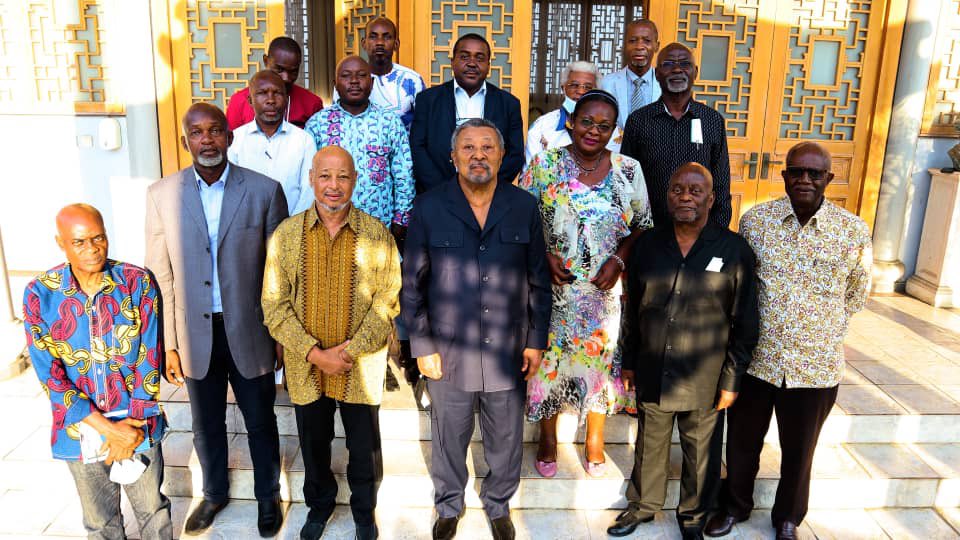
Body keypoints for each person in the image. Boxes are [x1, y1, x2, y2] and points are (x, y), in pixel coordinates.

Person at [706, 142, 872, 540]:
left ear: (829, 179)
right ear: (784, 175)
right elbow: (741, 285)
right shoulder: (756, 221)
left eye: (815, 174)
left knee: (800, 451)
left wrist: (819, 330)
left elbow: (857, 293)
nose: (805, 179)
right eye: (796, 171)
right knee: (744, 443)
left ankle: (788, 518)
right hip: (757, 361)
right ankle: (735, 506)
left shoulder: (853, 230)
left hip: (815, 366)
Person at [401, 119, 552, 540]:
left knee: (505, 437)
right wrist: (422, 344)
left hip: (507, 347)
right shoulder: (430, 207)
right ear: (453, 157)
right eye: (468, 147)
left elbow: (539, 279)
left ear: (503, 156)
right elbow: (412, 282)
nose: (478, 154)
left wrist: (536, 341)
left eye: (488, 147)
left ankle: (499, 504)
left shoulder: (523, 206)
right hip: (449, 348)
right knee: (450, 435)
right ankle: (449, 505)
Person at [145, 103, 288, 537]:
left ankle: (268, 496)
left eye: (215, 131)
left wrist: (281, 335)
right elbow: (159, 275)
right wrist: (167, 342)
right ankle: (214, 493)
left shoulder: (265, 190)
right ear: (186, 140)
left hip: (250, 327)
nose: (206, 140)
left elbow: (279, 272)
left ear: (229, 137)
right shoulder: (161, 195)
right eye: (197, 132)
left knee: (260, 418)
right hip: (193, 332)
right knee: (205, 423)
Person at [607, 163, 759, 540]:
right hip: (655, 364)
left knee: (701, 451)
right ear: (667, 195)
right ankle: (642, 506)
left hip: (705, 373)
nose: (685, 197)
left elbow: (746, 321)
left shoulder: (734, 249)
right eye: (678, 189)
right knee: (650, 443)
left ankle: (693, 517)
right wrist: (629, 360)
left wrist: (732, 379)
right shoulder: (647, 246)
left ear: (711, 198)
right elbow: (633, 307)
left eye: (695, 191)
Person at [262, 146, 400, 540]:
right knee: (314, 445)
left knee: (364, 449)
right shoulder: (287, 235)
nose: (333, 186)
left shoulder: (377, 234)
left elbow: (388, 300)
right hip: (307, 366)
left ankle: (363, 512)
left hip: (361, 365)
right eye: (325, 176)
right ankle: (319, 507)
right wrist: (315, 354)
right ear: (311, 179)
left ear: (355, 180)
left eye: (343, 176)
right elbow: (274, 303)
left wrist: (349, 353)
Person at [519, 89, 652, 479]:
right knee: (549, 365)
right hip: (553, 292)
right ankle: (547, 439)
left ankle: (595, 439)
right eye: (587, 122)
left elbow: (642, 226)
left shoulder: (629, 169)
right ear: (572, 122)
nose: (594, 131)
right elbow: (520, 219)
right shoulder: (544, 165)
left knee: (601, 364)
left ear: (615, 130)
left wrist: (618, 259)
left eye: (605, 125)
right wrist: (542, 255)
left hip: (602, 294)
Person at [23, 204, 172, 540]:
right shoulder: (40, 292)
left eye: (98, 238)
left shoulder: (136, 282)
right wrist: (108, 430)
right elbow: (50, 376)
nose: (92, 249)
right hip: (80, 430)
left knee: (153, 512)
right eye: (79, 242)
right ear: (60, 242)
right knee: (99, 521)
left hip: (137, 423)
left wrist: (129, 429)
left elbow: (150, 357)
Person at [621, 43, 732, 229]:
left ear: (695, 72)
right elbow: (626, 181)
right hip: (649, 232)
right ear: (657, 74)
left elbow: (720, 183)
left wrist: (715, 233)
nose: (677, 69)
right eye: (669, 64)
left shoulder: (712, 121)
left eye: (685, 64)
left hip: (698, 233)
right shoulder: (639, 121)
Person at [305, 55, 414, 239]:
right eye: (346, 76)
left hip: (380, 227)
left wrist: (401, 220)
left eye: (361, 75)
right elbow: (308, 178)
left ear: (371, 83)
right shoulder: (317, 124)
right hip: (329, 228)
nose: (354, 81)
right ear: (335, 83)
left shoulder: (389, 122)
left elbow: (404, 174)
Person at [410, 33, 524, 192]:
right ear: (452, 62)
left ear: (488, 65)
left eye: (479, 58)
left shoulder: (509, 104)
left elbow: (515, 154)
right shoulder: (427, 100)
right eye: (464, 57)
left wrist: (486, 188)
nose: (472, 63)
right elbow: (417, 149)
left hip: (489, 199)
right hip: (437, 196)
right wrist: (445, 191)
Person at [228, 70, 318, 215]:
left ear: (287, 100)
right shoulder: (235, 140)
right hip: (247, 228)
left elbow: (309, 190)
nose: (271, 100)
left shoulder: (304, 140)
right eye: (262, 93)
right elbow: (230, 190)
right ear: (250, 100)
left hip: (292, 228)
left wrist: (291, 227)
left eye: (277, 93)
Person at [332, 17, 425, 131]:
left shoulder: (412, 80)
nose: (380, 42)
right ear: (364, 43)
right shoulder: (347, 81)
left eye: (387, 37)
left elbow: (424, 125)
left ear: (396, 44)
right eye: (373, 37)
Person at [525, 61, 623, 164]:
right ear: (563, 88)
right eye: (574, 85)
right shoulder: (541, 126)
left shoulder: (612, 132)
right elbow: (531, 170)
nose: (580, 91)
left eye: (588, 87)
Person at [226, 36, 323, 130]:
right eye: (279, 69)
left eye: (293, 71)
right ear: (265, 61)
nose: (286, 78)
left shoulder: (312, 103)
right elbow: (231, 143)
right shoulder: (238, 101)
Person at [600, 19, 662, 129]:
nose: (639, 46)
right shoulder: (606, 84)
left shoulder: (665, 84)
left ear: (657, 46)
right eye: (632, 41)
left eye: (647, 41)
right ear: (625, 45)